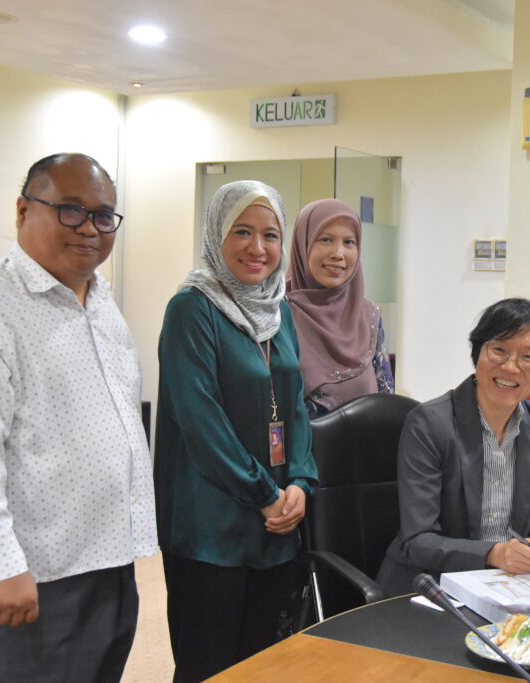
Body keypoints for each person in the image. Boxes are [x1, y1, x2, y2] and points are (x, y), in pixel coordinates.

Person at [0, 153, 156, 682]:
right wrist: (0, 562)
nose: (89, 228)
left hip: (101, 567)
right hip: (14, 578)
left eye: (103, 216)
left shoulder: (100, 305)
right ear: (23, 210)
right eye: (71, 210)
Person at [154, 180, 318, 682]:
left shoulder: (278, 308)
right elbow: (200, 421)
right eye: (241, 231)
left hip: (277, 519)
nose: (257, 248)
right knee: (210, 664)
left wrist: (300, 481)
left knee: (268, 663)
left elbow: (294, 405)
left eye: (270, 235)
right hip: (212, 526)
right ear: (215, 234)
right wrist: (264, 493)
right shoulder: (192, 307)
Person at [377, 298, 530, 595]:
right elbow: (418, 541)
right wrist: (494, 554)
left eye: (528, 357)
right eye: (499, 350)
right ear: (478, 352)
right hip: (428, 586)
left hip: (507, 586)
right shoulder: (430, 423)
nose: (511, 367)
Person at [286, 198, 394, 418]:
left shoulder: (369, 316)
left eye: (349, 242)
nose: (338, 253)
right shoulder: (278, 317)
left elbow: (387, 401)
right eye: (325, 240)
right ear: (303, 244)